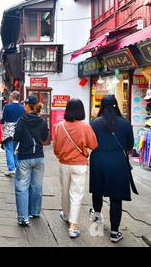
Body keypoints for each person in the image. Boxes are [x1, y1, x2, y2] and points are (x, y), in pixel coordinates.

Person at [89, 95, 135, 243]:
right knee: (116, 197)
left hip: (98, 161)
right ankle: (114, 232)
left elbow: (90, 144)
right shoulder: (125, 124)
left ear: (101, 106)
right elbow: (129, 146)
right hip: (118, 163)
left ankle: (97, 218)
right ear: (116, 105)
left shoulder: (94, 123)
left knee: (98, 191)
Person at [53, 99, 98, 238]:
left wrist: (61, 154)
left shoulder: (60, 125)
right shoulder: (85, 127)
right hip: (79, 164)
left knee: (64, 191)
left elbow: (56, 147)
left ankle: (66, 215)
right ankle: (73, 227)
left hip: (64, 164)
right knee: (76, 194)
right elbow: (94, 145)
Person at [13, 95, 49, 226]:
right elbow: (45, 137)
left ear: (28, 105)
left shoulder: (22, 120)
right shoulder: (42, 120)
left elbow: (16, 136)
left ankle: (23, 217)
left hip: (25, 157)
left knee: (22, 187)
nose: (23, 106)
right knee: (37, 186)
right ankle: (34, 211)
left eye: (25, 104)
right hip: (39, 157)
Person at [1, 91, 25, 177]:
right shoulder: (23, 108)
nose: (9, 97)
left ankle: (11, 169)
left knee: (9, 150)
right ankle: (16, 167)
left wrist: (1, 131)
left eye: (10, 95)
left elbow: (3, 120)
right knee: (16, 150)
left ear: (12, 97)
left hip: (9, 131)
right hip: (19, 130)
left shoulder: (7, 107)